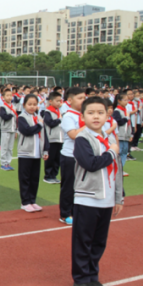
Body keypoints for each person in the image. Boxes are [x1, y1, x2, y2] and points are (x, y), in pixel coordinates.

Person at [71, 96, 123, 286]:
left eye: (100, 113)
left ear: (107, 116)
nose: (96, 116)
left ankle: (92, 276)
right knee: (83, 240)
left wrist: (118, 197)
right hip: (87, 198)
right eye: (91, 112)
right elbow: (90, 164)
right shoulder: (82, 139)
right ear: (83, 116)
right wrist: (111, 153)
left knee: (99, 242)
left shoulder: (109, 140)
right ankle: (81, 279)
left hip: (106, 199)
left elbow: (117, 170)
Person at [17, 94, 49, 212]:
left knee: (34, 178)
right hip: (25, 153)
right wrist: (39, 125)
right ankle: (25, 202)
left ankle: (32, 200)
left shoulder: (38, 117)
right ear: (24, 105)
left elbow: (44, 135)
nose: (32, 107)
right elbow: (27, 131)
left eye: (34, 104)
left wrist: (45, 150)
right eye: (29, 104)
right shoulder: (22, 117)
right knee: (25, 178)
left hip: (37, 153)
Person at [59, 87, 86, 226]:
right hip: (70, 156)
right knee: (69, 187)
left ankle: (77, 211)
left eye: (84, 98)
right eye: (80, 98)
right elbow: (73, 135)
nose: (83, 101)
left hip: (84, 156)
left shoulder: (84, 115)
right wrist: (89, 125)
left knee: (81, 186)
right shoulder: (68, 116)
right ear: (69, 100)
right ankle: (65, 214)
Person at [43, 91, 63, 184]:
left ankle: (54, 175)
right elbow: (50, 123)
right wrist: (59, 120)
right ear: (50, 101)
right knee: (50, 158)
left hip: (60, 139)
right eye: (57, 101)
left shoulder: (59, 111)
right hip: (51, 139)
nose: (59, 103)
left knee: (57, 159)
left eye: (60, 101)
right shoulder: (47, 112)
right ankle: (47, 176)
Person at [0, 88, 17, 171]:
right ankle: (3, 163)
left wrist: (16, 130)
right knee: (4, 147)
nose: (9, 97)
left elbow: (16, 119)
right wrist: (11, 115)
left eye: (10, 95)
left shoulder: (14, 107)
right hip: (5, 129)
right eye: (7, 95)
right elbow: (4, 116)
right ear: (3, 97)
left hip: (12, 129)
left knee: (10, 148)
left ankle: (8, 162)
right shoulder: (3, 107)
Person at [112, 92, 131, 171]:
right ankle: (116, 169)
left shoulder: (126, 110)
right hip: (120, 135)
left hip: (126, 136)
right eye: (124, 100)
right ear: (119, 100)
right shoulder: (117, 111)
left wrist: (130, 134)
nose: (126, 102)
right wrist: (126, 118)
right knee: (119, 152)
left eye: (127, 100)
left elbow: (129, 124)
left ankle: (121, 169)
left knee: (124, 152)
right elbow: (119, 122)